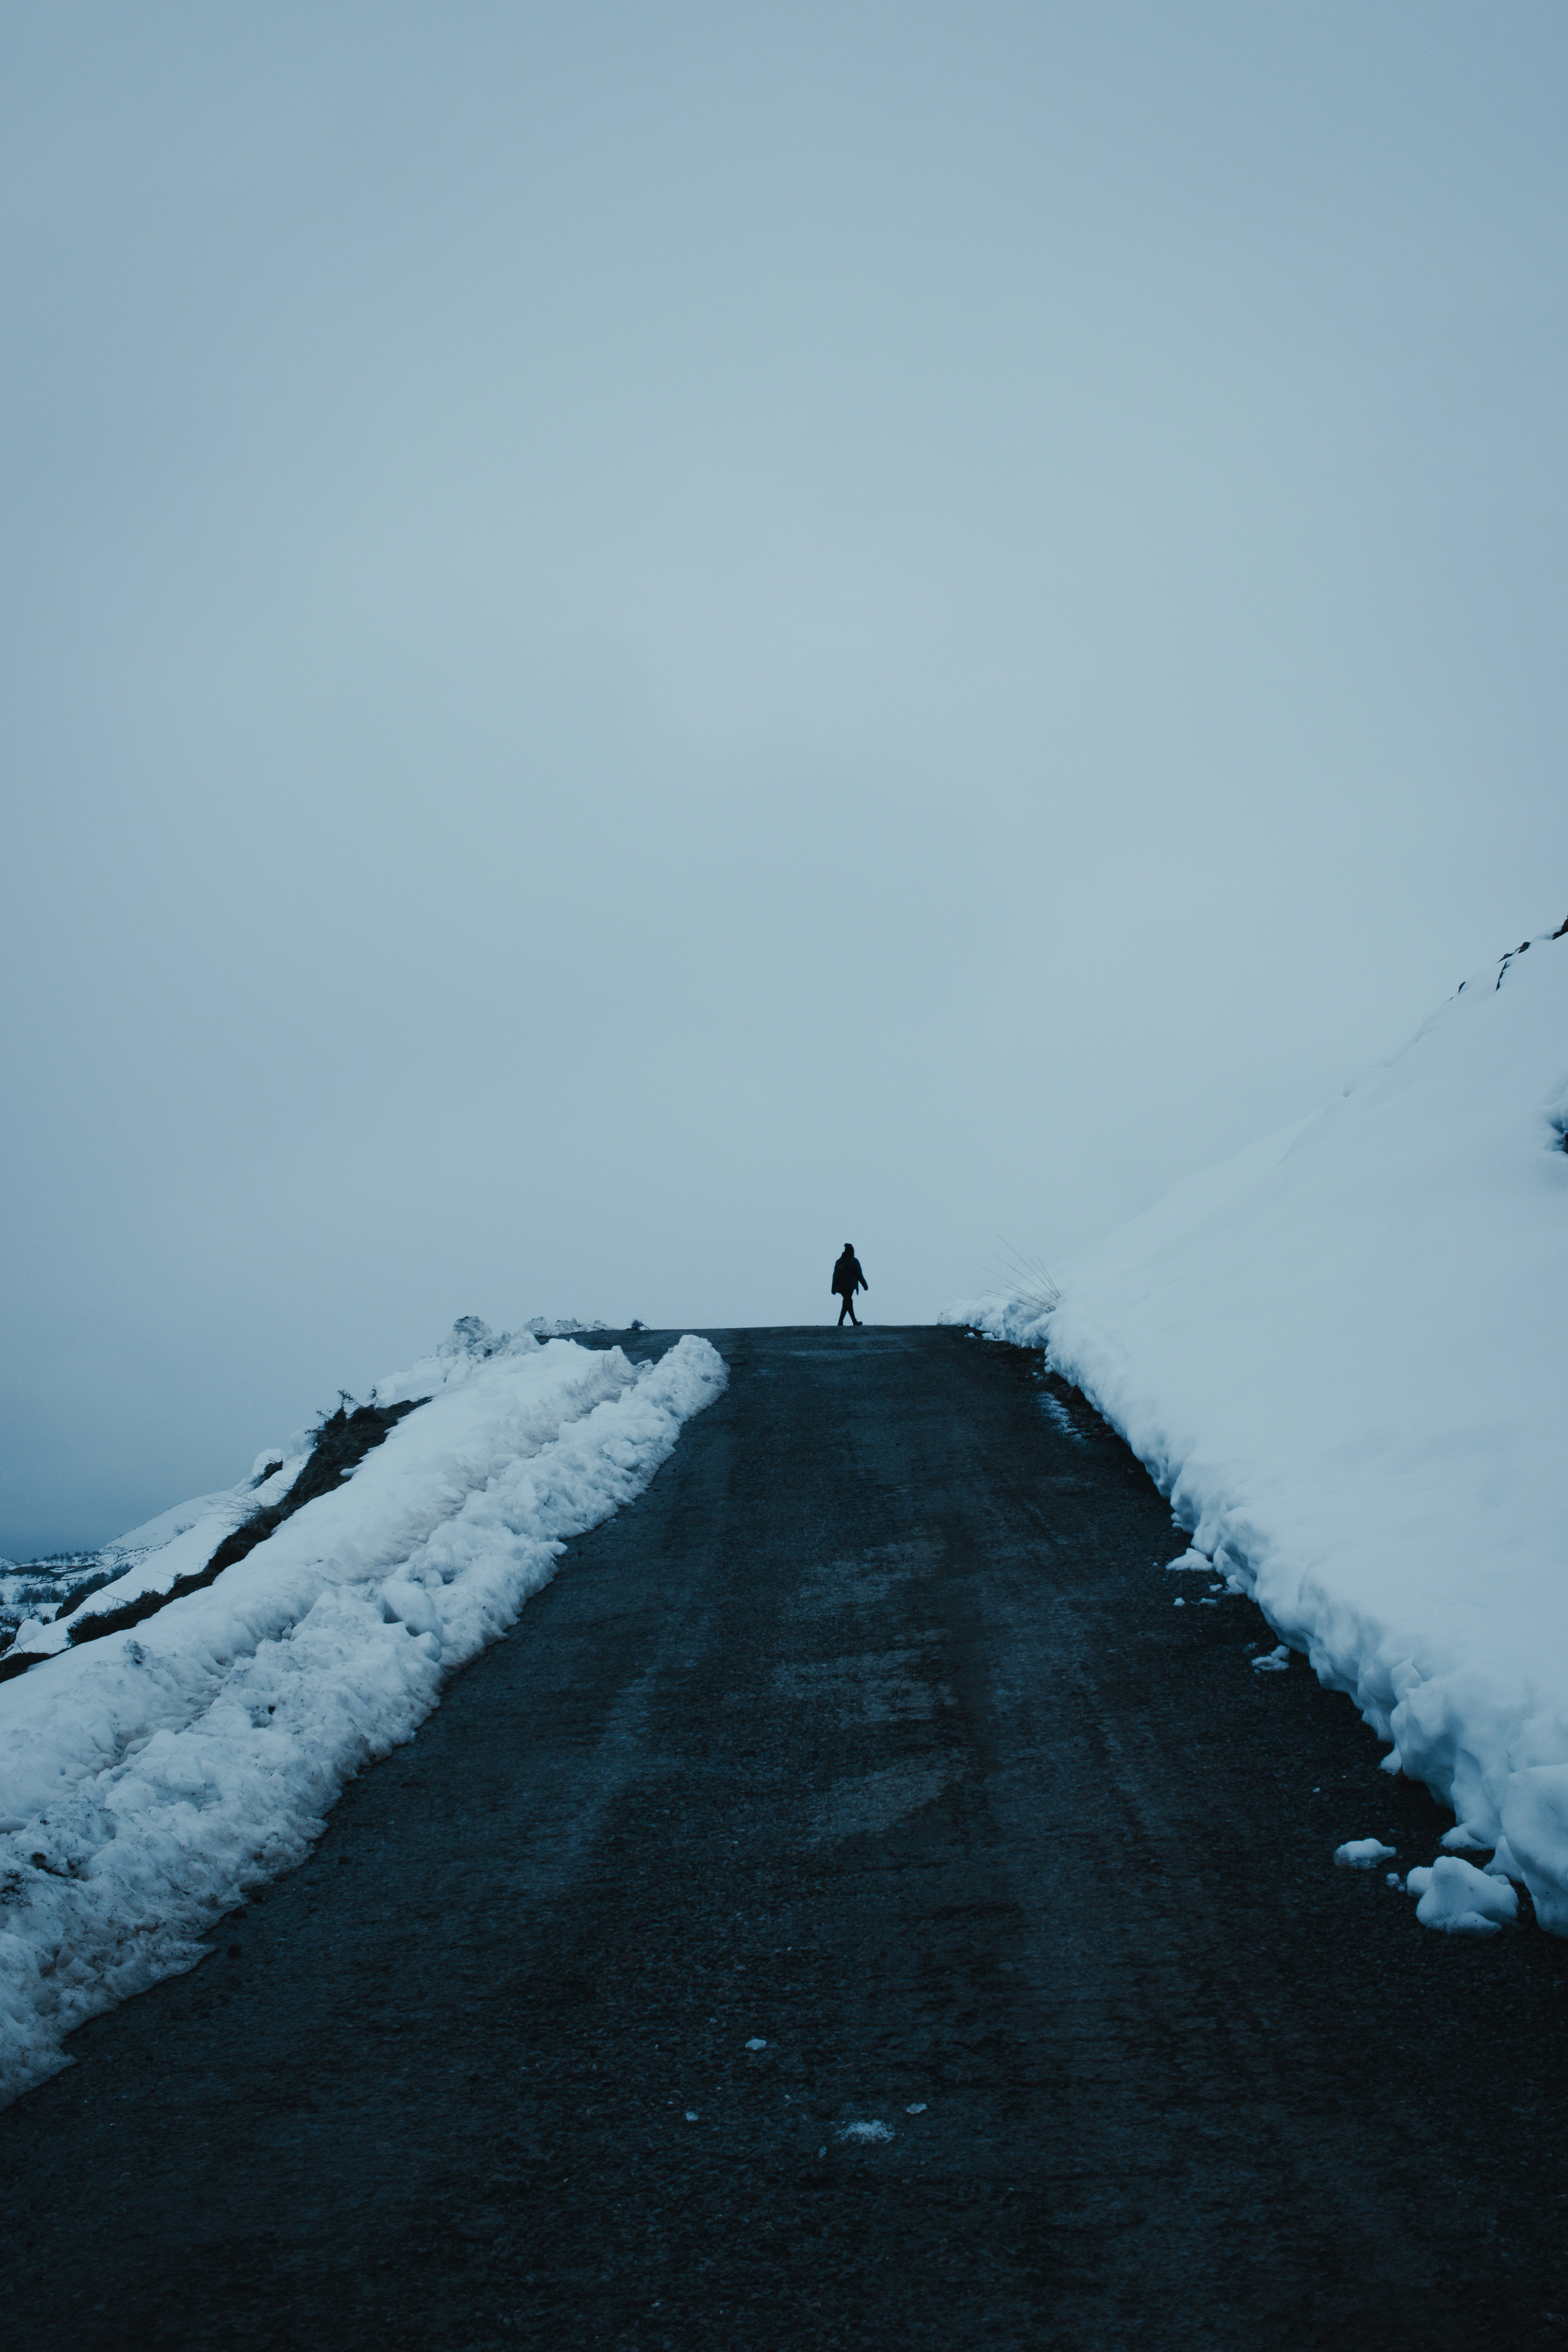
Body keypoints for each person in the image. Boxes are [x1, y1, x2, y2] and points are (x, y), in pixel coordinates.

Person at [832, 1243, 867, 1326]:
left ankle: (850, 1321)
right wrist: (865, 1285)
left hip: (840, 1285)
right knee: (848, 1301)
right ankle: (844, 1321)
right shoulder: (854, 1261)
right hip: (850, 1284)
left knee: (848, 1301)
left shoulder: (839, 1261)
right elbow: (859, 1274)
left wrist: (833, 1287)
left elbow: (835, 1275)